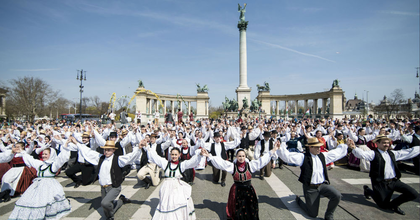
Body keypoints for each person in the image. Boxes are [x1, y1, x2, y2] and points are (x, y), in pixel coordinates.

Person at [277, 137, 348, 220]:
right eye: (317, 147)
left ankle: (329, 215)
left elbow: (336, 153)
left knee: (337, 195)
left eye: (319, 147)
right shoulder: (303, 157)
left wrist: (345, 145)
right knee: (313, 214)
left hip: (322, 185)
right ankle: (299, 201)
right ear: (310, 147)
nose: (319, 148)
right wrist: (280, 148)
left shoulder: (323, 156)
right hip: (310, 188)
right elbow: (288, 157)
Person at [349, 135, 419, 215]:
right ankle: (368, 190)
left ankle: (395, 204)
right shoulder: (373, 154)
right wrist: (354, 147)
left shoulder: (392, 153)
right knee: (383, 205)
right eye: (384, 143)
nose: (386, 144)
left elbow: (409, 152)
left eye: (387, 143)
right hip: (380, 183)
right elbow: (362, 154)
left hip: (394, 181)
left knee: (414, 194)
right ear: (377, 144)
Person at [204, 144, 278, 219]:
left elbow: (261, 161)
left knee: (250, 209)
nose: (241, 158)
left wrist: (273, 150)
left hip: (248, 190)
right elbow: (222, 163)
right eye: (239, 156)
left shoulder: (250, 165)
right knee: (238, 210)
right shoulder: (232, 166)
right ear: (236, 156)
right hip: (237, 190)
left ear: (245, 156)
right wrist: (209, 156)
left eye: (243, 156)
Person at [72, 139, 140, 220]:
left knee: (105, 203)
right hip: (103, 187)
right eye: (105, 149)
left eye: (108, 150)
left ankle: (111, 217)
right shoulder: (100, 158)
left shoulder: (117, 159)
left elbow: (130, 157)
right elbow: (88, 152)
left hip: (114, 187)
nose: (106, 151)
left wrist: (139, 148)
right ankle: (121, 200)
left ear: (113, 150)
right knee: (106, 207)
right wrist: (76, 143)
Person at [9, 143, 72, 219]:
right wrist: (22, 151)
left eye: (46, 154)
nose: (43, 156)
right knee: (33, 202)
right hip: (37, 186)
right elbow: (30, 159)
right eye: (43, 154)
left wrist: (65, 146)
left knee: (47, 203)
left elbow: (62, 158)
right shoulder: (40, 164)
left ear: (51, 155)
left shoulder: (53, 165)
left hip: (49, 187)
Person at [145, 142, 204, 219]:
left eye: (176, 155)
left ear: (179, 155)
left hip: (177, 187)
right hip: (166, 188)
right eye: (172, 154)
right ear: (170, 155)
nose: (174, 156)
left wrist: (200, 155)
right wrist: (147, 147)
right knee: (166, 204)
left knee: (177, 203)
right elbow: (155, 157)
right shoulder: (165, 163)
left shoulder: (181, 165)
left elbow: (191, 162)